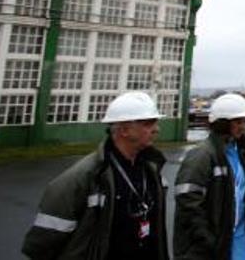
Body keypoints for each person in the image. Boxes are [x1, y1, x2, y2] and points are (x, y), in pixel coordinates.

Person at [22, 91, 168, 259]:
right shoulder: (82, 177)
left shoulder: (151, 170)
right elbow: (42, 245)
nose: (156, 129)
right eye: (148, 124)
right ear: (124, 130)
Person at [174, 93, 245, 259]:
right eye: (238, 122)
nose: (244, 127)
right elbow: (188, 200)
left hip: (236, 237)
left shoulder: (239, 151)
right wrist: (207, 239)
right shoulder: (202, 155)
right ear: (222, 124)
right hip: (212, 245)